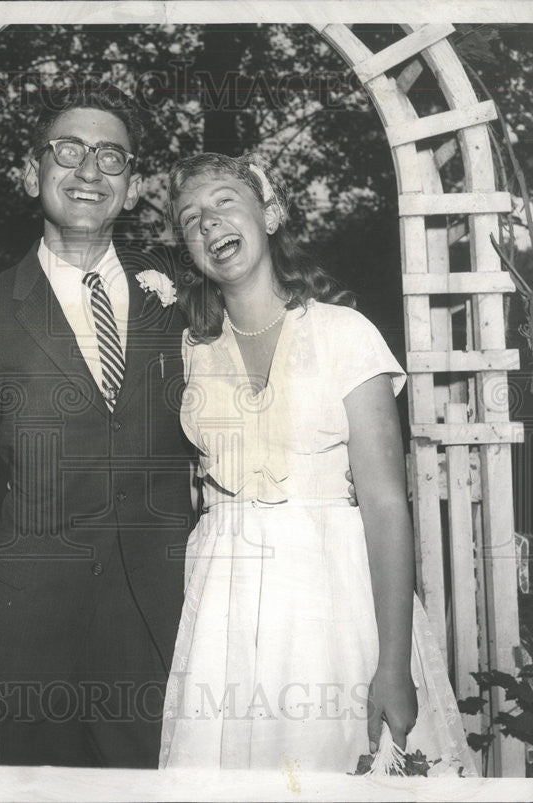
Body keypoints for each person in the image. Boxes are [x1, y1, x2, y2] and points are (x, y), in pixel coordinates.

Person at [157, 152, 477, 775]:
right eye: (190, 218)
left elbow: (386, 502)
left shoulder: (343, 333)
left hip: (331, 594)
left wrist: (392, 663)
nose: (209, 222)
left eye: (224, 201)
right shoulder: (190, 351)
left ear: (269, 213)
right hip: (226, 598)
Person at [0, 85, 196, 768]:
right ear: (30, 171)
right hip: (27, 646)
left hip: (167, 632)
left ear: (133, 188)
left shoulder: (184, 295)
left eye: (111, 157)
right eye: (68, 150)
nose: (89, 171)